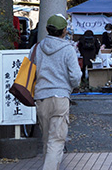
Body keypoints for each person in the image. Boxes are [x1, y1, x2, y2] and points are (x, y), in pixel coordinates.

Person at [31, 14, 82, 170]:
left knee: (47, 140)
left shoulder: (36, 47)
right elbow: (75, 76)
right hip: (60, 97)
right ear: (64, 31)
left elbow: (31, 71)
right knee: (56, 140)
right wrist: (72, 86)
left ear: (47, 29)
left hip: (41, 98)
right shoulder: (68, 49)